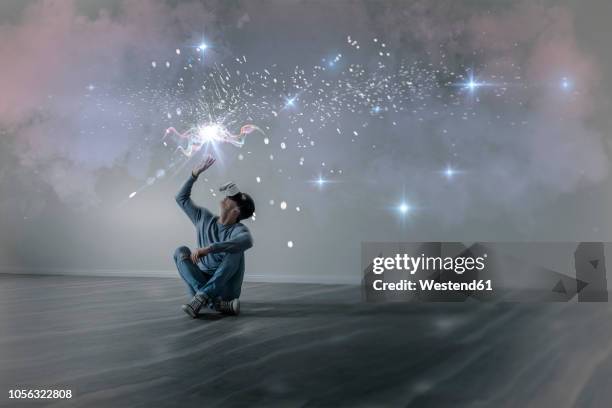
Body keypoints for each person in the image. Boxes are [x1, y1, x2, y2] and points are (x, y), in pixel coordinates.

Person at [173, 155, 255, 318]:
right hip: (200, 283)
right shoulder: (203, 217)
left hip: (226, 289)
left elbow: (247, 241)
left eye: (232, 198)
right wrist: (193, 175)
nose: (226, 197)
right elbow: (180, 198)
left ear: (236, 211)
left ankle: (205, 297)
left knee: (236, 250)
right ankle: (214, 303)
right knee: (180, 251)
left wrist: (209, 249)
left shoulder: (239, 230)